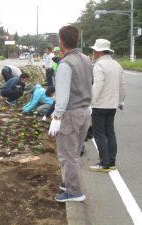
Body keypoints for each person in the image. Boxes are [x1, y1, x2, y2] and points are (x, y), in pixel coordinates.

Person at [48, 25, 93, 202]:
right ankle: (70, 182)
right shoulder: (85, 59)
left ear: (61, 41)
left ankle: (74, 192)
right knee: (74, 151)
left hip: (71, 114)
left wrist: (56, 117)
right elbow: (90, 84)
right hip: (84, 112)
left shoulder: (66, 64)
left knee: (68, 154)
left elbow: (63, 96)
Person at [89, 39, 125, 172]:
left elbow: (97, 85)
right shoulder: (117, 65)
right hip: (112, 105)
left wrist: (91, 102)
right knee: (110, 132)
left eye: (94, 51)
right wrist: (121, 101)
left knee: (99, 134)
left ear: (99, 52)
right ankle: (112, 161)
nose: (93, 53)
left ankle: (104, 163)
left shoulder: (99, 65)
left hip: (100, 105)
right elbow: (122, 85)